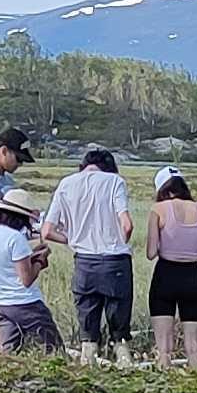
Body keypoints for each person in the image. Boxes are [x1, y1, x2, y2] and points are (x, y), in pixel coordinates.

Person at [37, 146, 137, 361]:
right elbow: (127, 225)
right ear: (109, 167)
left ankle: (87, 367)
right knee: (119, 334)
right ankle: (124, 365)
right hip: (115, 262)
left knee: (88, 334)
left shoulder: (66, 184)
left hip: (84, 263)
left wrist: (72, 240)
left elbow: (47, 231)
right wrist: (119, 242)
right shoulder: (114, 182)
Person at [143, 171, 197, 369]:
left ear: (162, 189)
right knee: (194, 347)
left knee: (164, 349)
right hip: (193, 277)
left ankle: (164, 387)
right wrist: (191, 251)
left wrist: (171, 247)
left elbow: (151, 252)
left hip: (165, 276)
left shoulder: (158, 209)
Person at [0, 188, 62, 355]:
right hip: (25, 303)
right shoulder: (16, 238)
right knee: (54, 348)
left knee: (8, 351)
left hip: (1, 302)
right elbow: (26, 279)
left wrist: (30, 258)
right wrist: (40, 260)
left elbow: (7, 263)